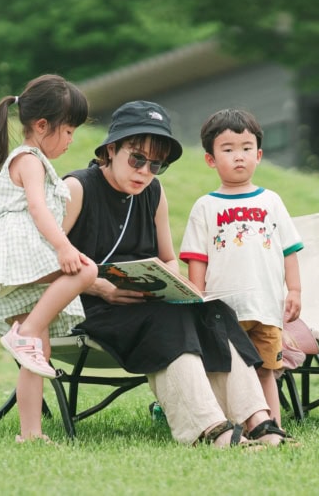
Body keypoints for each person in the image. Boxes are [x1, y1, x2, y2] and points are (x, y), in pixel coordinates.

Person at [62, 100, 296, 447]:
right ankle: (209, 428)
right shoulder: (77, 188)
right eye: (136, 159)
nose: (144, 171)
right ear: (111, 150)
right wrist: (100, 287)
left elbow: (169, 259)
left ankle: (256, 419)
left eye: (156, 164)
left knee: (209, 310)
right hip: (92, 307)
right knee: (168, 321)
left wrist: (172, 286)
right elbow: (42, 260)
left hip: (146, 305)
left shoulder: (152, 191)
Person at [0, 74, 98, 443]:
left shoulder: (35, 160)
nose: (72, 140)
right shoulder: (29, 160)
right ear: (42, 126)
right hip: (20, 250)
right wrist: (63, 246)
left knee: (38, 351)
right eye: (69, 130)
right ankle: (23, 334)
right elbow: (39, 209)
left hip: (20, 252)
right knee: (85, 270)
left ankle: (30, 433)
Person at [179, 109, 303, 432]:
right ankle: (231, 424)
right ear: (210, 159)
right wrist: (197, 300)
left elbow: (290, 251)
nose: (239, 157)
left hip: (264, 307)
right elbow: (197, 260)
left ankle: (271, 426)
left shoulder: (272, 201)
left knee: (266, 369)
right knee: (227, 368)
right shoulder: (205, 206)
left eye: (247, 149)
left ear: (259, 155)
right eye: (228, 149)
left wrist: (296, 290)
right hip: (222, 310)